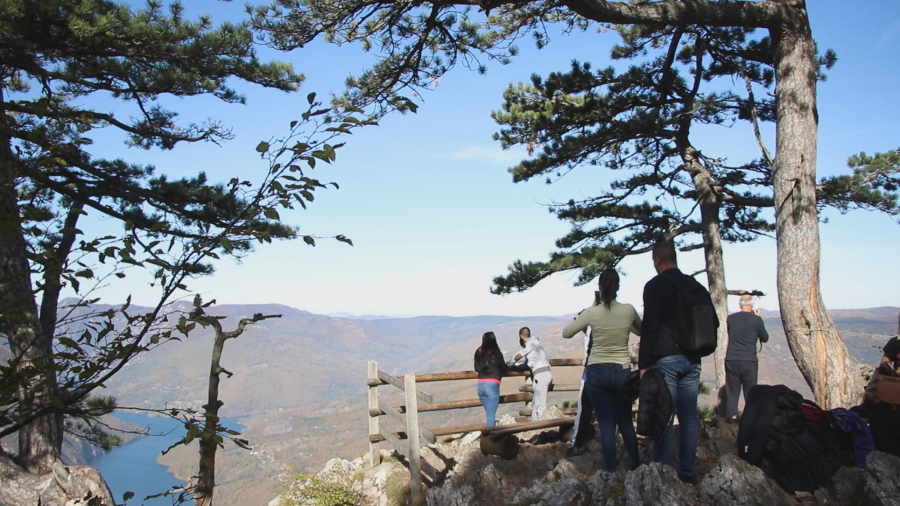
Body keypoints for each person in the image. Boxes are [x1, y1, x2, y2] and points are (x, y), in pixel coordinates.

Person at [639, 240, 718, 484]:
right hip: (692, 358)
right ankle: (686, 470)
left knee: (664, 414)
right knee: (689, 417)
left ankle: (662, 468)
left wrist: (643, 364)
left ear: (657, 261)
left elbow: (650, 327)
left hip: (665, 360)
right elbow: (712, 321)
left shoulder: (654, 287)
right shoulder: (694, 285)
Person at [563, 268, 642, 472]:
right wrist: (625, 326)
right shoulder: (628, 310)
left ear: (600, 287)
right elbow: (642, 331)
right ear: (618, 287)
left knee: (606, 424)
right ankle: (635, 463)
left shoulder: (592, 313)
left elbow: (566, 333)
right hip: (622, 370)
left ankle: (609, 469)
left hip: (597, 371)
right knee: (625, 421)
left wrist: (590, 314)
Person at [723, 295, 769, 418]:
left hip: (732, 358)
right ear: (752, 305)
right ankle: (750, 420)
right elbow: (764, 338)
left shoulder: (731, 319)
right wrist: (758, 318)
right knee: (750, 394)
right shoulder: (756, 320)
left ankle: (730, 420)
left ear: (740, 304)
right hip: (749, 360)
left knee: (732, 394)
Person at [510, 327, 553, 421]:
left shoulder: (530, 343)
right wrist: (517, 367)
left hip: (541, 375)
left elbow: (518, 356)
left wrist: (509, 364)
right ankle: (534, 426)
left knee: (540, 405)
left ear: (521, 336)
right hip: (545, 373)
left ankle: (542, 428)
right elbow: (527, 364)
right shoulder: (536, 344)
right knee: (536, 403)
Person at [474, 331, 507, 427]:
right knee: (491, 416)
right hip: (492, 385)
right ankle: (490, 437)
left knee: (489, 413)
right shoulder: (496, 353)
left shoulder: (478, 351)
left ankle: (490, 434)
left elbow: (476, 368)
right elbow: (504, 368)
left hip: (480, 385)